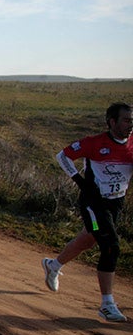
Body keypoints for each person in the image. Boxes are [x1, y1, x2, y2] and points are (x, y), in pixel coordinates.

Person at [42, 102, 133, 323]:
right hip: (93, 204)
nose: (131, 124)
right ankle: (107, 304)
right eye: (126, 120)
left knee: (89, 238)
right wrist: (81, 182)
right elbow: (62, 156)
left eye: (132, 120)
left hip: (115, 204)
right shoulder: (94, 143)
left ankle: (52, 266)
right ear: (112, 122)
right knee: (111, 246)